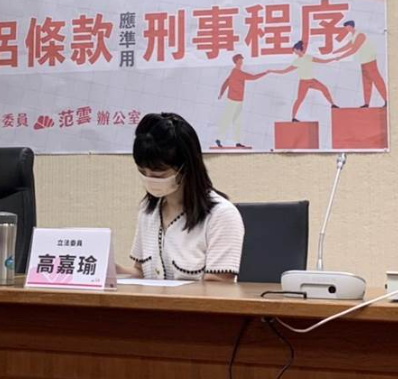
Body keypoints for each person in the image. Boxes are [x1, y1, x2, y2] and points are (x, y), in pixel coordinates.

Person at [123, 112, 244, 281]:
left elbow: (218, 285)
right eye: (142, 172)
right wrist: (109, 269)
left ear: (186, 168)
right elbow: (140, 272)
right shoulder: (148, 210)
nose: (149, 179)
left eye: (159, 174)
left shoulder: (221, 215)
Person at [269, 41, 338, 121]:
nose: (294, 52)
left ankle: (333, 105)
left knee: (324, 88)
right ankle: (293, 117)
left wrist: (333, 59)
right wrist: (272, 71)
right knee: (299, 99)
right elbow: (284, 71)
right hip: (303, 83)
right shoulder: (297, 61)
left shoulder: (308, 57)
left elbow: (323, 61)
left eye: (295, 50)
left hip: (312, 81)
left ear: (298, 49)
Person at [216, 54, 269, 148]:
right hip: (233, 100)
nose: (241, 62)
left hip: (238, 100)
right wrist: (265, 73)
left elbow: (226, 82)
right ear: (236, 62)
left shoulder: (234, 71)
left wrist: (221, 93)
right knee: (228, 120)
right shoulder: (237, 73)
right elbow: (253, 77)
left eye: (241, 60)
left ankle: (237, 142)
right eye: (240, 60)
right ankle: (219, 139)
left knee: (236, 121)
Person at [331, 20, 387, 108]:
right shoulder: (353, 36)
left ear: (350, 26)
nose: (346, 29)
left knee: (376, 80)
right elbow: (348, 46)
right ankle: (367, 103)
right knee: (366, 82)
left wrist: (340, 57)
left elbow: (354, 49)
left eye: (346, 27)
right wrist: (335, 52)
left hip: (370, 60)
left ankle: (386, 99)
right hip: (363, 61)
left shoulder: (360, 35)